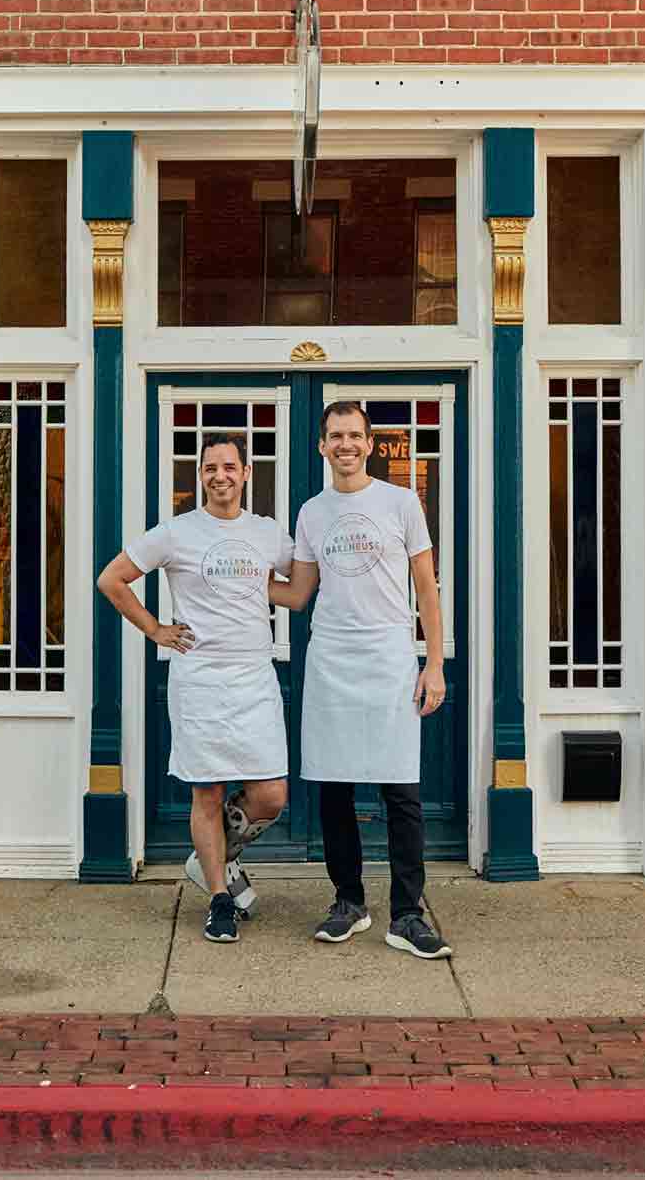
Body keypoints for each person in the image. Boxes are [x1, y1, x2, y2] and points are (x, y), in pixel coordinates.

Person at [96, 434, 290, 945]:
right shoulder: (177, 532)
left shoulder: (268, 534)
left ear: (247, 473)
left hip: (254, 677)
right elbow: (112, 580)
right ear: (200, 475)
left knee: (272, 795)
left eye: (229, 466)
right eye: (210, 467)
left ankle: (215, 859)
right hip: (199, 680)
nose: (220, 475)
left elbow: (297, 589)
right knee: (207, 791)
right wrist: (156, 629)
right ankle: (218, 899)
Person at [276, 400, 451, 961]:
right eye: (335, 436)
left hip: (389, 658)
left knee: (402, 791)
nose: (345, 445)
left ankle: (407, 914)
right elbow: (299, 594)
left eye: (355, 435)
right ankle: (348, 902)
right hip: (331, 659)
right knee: (333, 788)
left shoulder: (400, 502)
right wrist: (234, 579)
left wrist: (435, 662)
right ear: (321, 446)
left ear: (370, 444)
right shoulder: (311, 512)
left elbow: (426, 588)